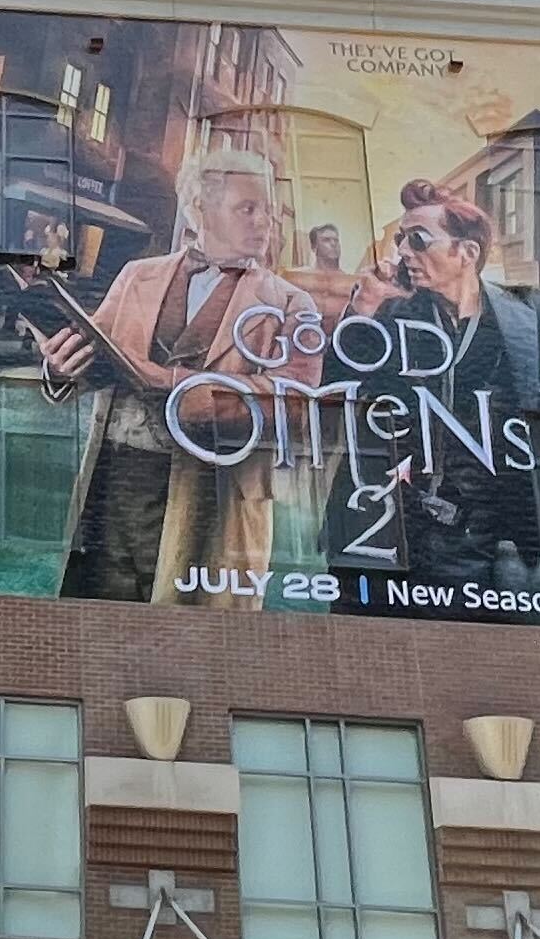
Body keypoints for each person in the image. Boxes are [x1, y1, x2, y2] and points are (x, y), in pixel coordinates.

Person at [35, 146, 328, 604]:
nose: (263, 222)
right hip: (115, 480)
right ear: (198, 210)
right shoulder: (137, 275)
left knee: (192, 638)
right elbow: (99, 358)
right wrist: (61, 368)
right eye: (246, 208)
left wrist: (177, 386)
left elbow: (294, 403)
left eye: (267, 210)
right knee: (98, 616)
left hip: (214, 496)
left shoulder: (292, 303)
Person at [337, 185, 540, 597]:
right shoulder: (395, 314)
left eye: (417, 239)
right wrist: (361, 313)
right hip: (397, 526)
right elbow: (336, 387)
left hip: (486, 535)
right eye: (400, 239)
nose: (402, 251)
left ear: (467, 253)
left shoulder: (529, 312)